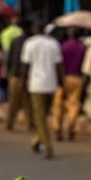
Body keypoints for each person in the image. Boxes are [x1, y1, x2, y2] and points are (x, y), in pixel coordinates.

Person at [21, 22, 64, 158]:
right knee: (44, 115)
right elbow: (59, 65)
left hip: (36, 83)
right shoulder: (53, 44)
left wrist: (23, 82)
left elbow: (25, 66)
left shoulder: (29, 44)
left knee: (39, 117)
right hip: (50, 83)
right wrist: (61, 83)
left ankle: (47, 146)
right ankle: (36, 140)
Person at [53, 27, 86, 141]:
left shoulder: (62, 47)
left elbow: (58, 63)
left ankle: (57, 128)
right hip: (77, 77)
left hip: (63, 77)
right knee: (74, 103)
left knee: (58, 104)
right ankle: (71, 127)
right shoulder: (82, 48)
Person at [5, 28, 28, 130]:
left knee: (13, 101)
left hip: (15, 75)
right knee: (28, 102)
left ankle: (10, 123)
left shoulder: (15, 41)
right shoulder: (30, 41)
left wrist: (9, 72)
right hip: (27, 76)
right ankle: (31, 124)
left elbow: (10, 58)